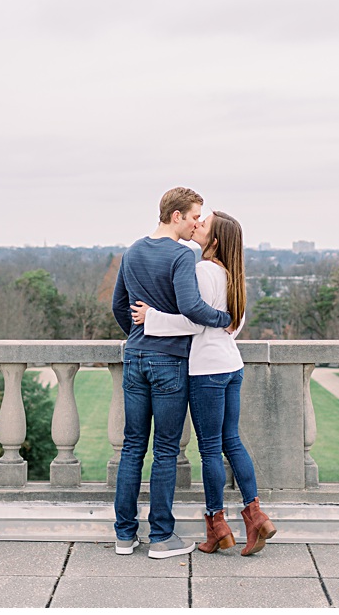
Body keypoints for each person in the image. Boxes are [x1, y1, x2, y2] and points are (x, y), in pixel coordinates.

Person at [132, 210, 277, 556]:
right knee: (232, 442)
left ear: (213, 241)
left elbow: (192, 321)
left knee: (210, 448)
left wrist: (150, 318)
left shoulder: (202, 270)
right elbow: (232, 324)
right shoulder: (233, 275)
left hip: (207, 370)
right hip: (231, 366)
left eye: (203, 224)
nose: (196, 225)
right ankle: (255, 515)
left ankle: (217, 524)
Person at [110, 187, 233, 559]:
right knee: (165, 450)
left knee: (133, 447)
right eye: (194, 215)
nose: (198, 222)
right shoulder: (183, 254)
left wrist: (139, 333)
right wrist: (223, 319)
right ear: (176, 215)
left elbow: (120, 306)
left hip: (136, 357)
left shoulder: (132, 251)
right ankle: (161, 537)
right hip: (169, 363)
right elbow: (192, 307)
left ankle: (124, 536)